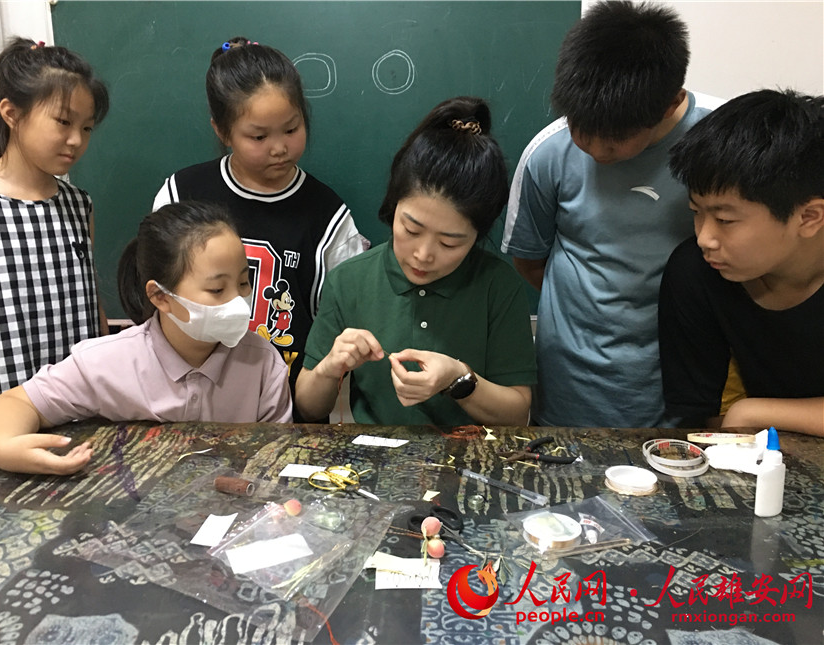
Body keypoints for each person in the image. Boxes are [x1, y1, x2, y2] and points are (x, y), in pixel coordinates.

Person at [501, 1, 722, 428]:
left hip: (679, 385)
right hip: (568, 385)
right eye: (581, 130)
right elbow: (529, 260)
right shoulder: (547, 153)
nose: (595, 150)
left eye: (616, 140)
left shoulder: (720, 141)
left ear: (671, 103)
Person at [0, 202, 292, 475]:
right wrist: (5, 447)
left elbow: (276, 457)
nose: (238, 301)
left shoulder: (262, 363)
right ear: (160, 296)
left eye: (244, 282)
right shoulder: (108, 362)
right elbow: (15, 403)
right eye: (217, 289)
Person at [152, 38, 365, 418]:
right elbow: (160, 298)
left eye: (291, 129)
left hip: (287, 413)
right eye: (259, 136)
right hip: (191, 405)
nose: (279, 148)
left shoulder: (327, 216)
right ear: (222, 130)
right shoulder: (182, 194)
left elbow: (335, 328)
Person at [295, 97, 536, 426]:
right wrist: (330, 367)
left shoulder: (498, 286)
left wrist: (458, 378)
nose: (423, 254)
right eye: (411, 229)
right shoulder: (349, 280)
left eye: (450, 242)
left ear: (477, 236)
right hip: (373, 451)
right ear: (393, 205)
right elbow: (308, 407)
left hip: (471, 452)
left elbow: (517, 414)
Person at [660, 89, 824, 437]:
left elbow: (741, 418)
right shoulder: (696, 273)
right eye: (696, 212)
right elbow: (711, 421)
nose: (705, 238)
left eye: (725, 219)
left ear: (809, 217)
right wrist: (743, 417)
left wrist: (754, 411)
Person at [0, 37, 110, 419]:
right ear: (11, 113)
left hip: (81, 413)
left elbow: (91, 305)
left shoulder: (78, 204)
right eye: (63, 122)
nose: (76, 140)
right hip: (0, 419)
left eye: (87, 128)